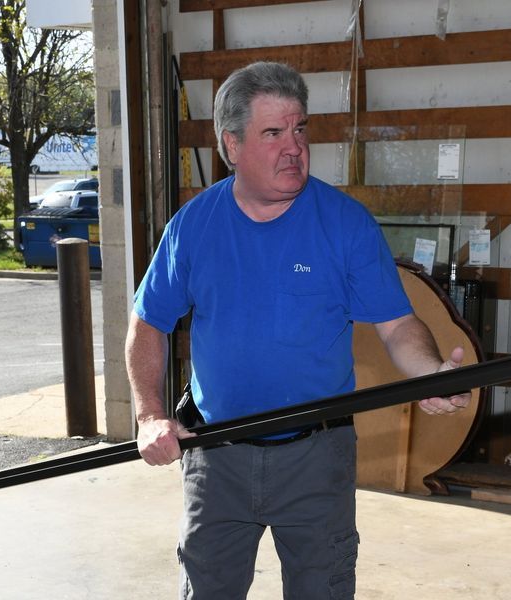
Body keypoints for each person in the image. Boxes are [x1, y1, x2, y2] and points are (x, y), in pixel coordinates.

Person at [125, 61, 470, 600]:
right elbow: (148, 323)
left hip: (317, 457)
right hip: (217, 455)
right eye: (273, 133)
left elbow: (398, 324)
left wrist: (429, 374)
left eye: (300, 129)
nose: (294, 147)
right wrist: (148, 414)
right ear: (231, 145)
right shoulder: (194, 227)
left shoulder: (345, 223)